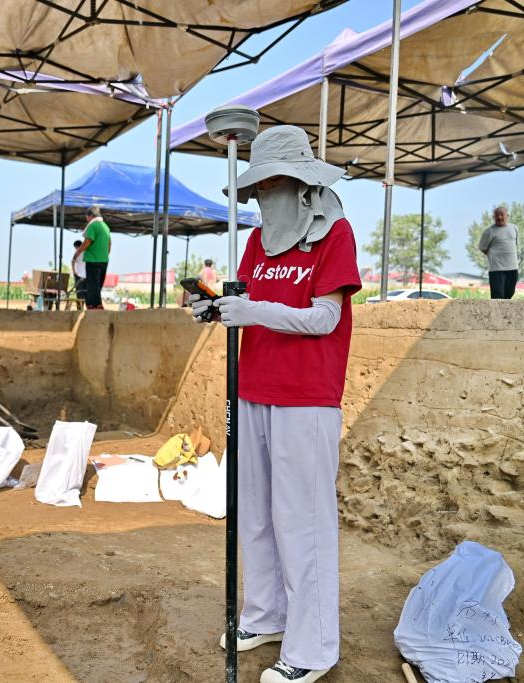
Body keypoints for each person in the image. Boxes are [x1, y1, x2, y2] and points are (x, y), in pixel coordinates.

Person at [190, 126, 361, 683]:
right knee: (256, 513)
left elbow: (325, 318)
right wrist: (216, 307)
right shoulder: (258, 240)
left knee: (301, 522)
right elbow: (247, 300)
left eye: (269, 185)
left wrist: (255, 312)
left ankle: (312, 649)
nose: (262, 196)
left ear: (298, 183)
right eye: (256, 188)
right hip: (253, 388)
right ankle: (266, 615)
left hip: (305, 398)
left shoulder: (335, 234)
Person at [72, 206, 111, 309]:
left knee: (92, 284)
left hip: (93, 260)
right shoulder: (106, 227)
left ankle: (95, 305)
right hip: (104, 260)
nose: (87, 219)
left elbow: (87, 241)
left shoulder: (93, 225)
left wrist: (77, 253)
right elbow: (109, 243)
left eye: (87, 217)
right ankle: (95, 305)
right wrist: (105, 255)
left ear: (90, 216)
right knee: (98, 284)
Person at [478, 205, 519, 299]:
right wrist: (493, 256)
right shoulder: (489, 231)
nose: (499, 217)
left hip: (512, 267)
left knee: (510, 293)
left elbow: (515, 244)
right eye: (497, 215)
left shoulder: (514, 228)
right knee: (498, 297)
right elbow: (482, 247)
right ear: (493, 217)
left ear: (507, 216)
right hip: (496, 269)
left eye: (502, 215)